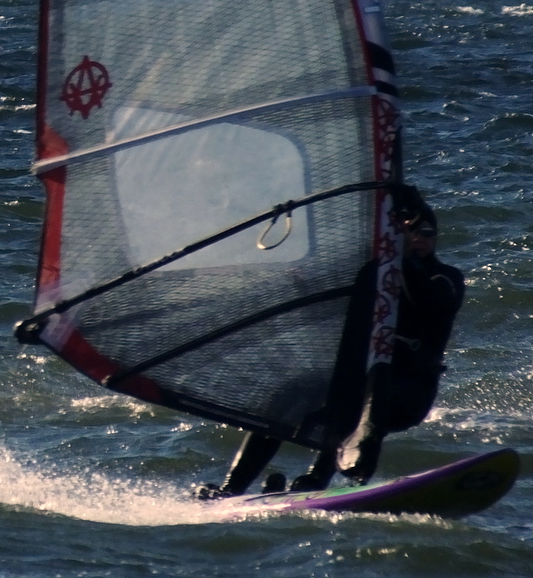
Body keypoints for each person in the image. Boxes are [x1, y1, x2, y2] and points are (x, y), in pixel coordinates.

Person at [198, 184, 464, 498]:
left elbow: (427, 299)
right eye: (411, 232)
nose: (418, 238)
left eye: (426, 232)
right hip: (359, 381)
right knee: (288, 397)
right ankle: (232, 488)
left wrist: (400, 255)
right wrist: (302, 281)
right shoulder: (375, 272)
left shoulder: (446, 278)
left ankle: (317, 481)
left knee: (358, 401)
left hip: (409, 391)